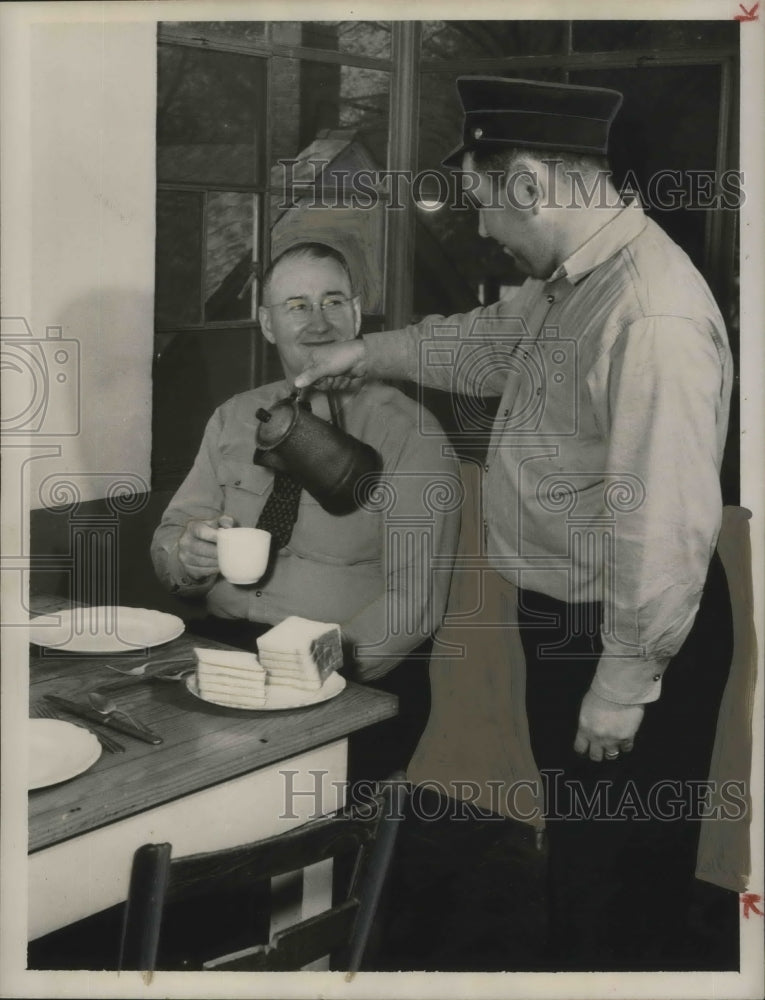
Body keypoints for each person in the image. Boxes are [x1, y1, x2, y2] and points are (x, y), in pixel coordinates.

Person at [295, 78, 735, 969]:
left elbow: (668, 527)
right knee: (581, 864)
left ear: (531, 184)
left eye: (485, 205)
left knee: (612, 892)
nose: (482, 228)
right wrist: (362, 352)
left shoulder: (649, 315)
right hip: (574, 620)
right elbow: (480, 343)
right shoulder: (574, 281)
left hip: (626, 629)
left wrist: (623, 683)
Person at [151, 242, 460, 783]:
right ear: (267, 323)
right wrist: (187, 550)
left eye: (333, 302)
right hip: (227, 654)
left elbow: (416, 605)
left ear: (357, 314)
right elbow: (170, 544)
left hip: (350, 675)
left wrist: (306, 672)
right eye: (296, 306)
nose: (318, 323)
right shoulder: (233, 417)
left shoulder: (410, 433)